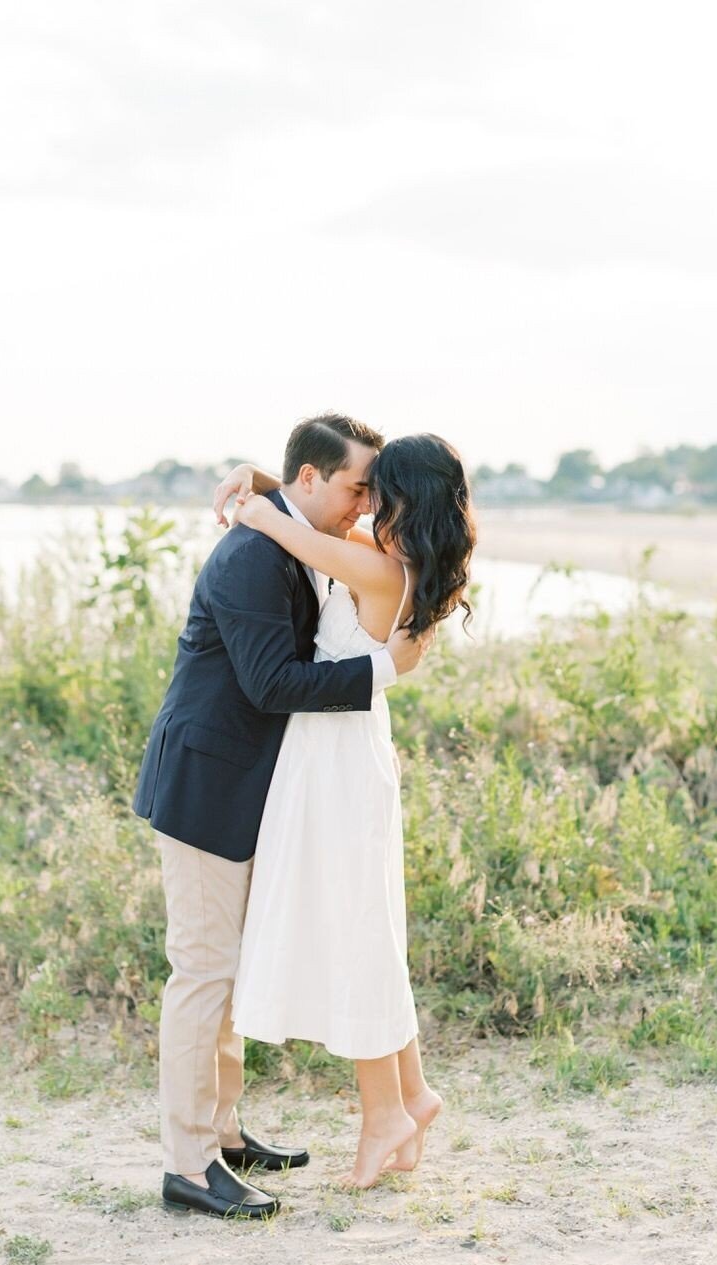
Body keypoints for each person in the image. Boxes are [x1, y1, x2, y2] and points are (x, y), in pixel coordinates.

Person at [132, 414, 431, 1220]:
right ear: (310, 480)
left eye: (371, 487)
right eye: (355, 486)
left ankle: (223, 1133)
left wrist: (260, 483)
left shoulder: (293, 532)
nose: (365, 503)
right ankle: (189, 1164)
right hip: (206, 785)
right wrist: (381, 671)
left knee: (229, 972)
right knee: (202, 973)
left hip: (254, 786)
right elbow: (270, 683)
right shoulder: (252, 555)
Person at [224, 432, 476, 1188]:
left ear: (401, 501)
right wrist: (268, 474)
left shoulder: (370, 562)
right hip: (347, 748)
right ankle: (412, 1092)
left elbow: (287, 526)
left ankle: (384, 1115)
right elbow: (310, 512)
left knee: (355, 932)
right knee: (369, 924)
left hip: (335, 758)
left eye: (376, 493)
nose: (364, 504)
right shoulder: (412, 566)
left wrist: (252, 500)